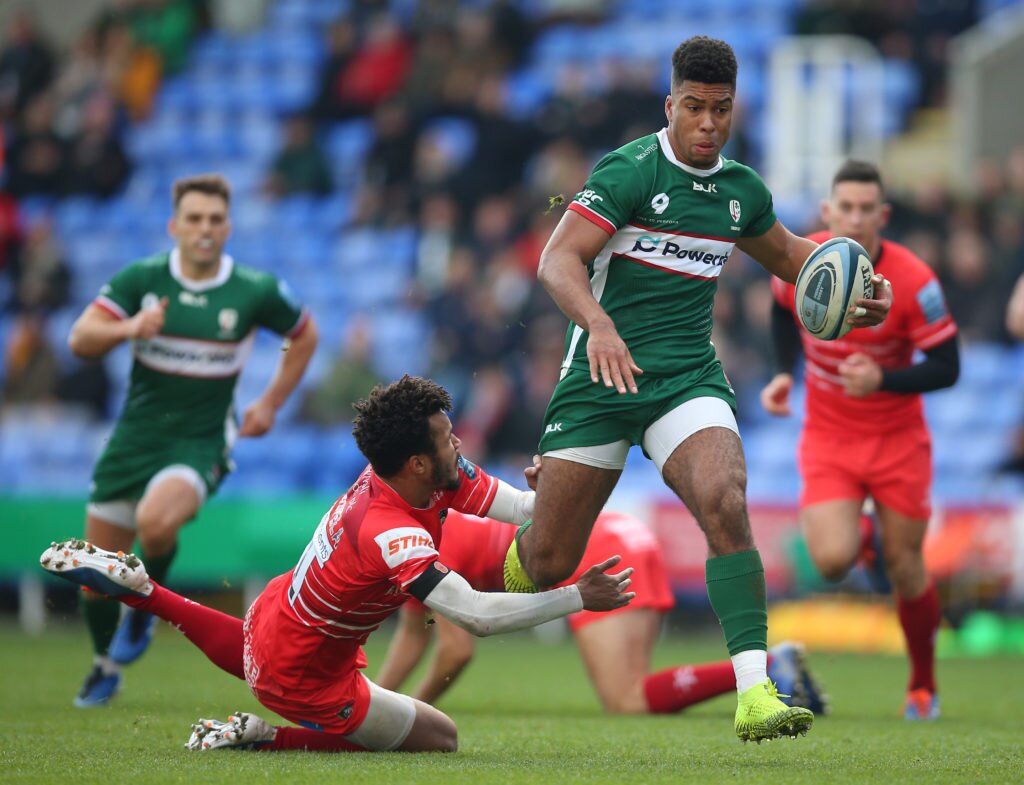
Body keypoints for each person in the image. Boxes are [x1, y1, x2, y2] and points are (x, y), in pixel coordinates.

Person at [501, 35, 893, 743]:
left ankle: (755, 692)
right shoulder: (628, 171)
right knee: (547, 561)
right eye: (695, 108)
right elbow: (557, 261)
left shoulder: (740, 192)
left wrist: (858, 285)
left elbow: (793, 257)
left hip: (686, 379)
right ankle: (486, 544)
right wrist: (599, 326)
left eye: (721, 110)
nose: (709, 123)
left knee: (725, 496)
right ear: (670, 104)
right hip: (599, 377)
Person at [40, 376, 633, 752]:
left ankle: (143, 590)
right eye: (448, 439)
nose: (459, 445)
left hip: (282, 614)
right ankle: (264, 735)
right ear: (418, 464)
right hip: (306, 671)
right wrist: (577, 597)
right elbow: (473, 615)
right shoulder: (389, 530)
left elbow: (527, 509)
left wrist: (559, 490)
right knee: (439, 738)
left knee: (256, 651)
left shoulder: (422, 476)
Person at [65, 173, 319, 708]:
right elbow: (80, 339)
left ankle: (145, 605)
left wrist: (270, 403)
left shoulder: (253, 289)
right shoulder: (143, 279)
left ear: (227, 225)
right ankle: (103, 662)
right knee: (92, 574)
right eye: (195, 219)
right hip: (133, 440)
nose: (205, 229)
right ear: (174, 226)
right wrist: (130, 328)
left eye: (215, 219)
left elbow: (304, 334)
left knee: (156, 521)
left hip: (201, 440)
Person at [760, 160, 959, 720]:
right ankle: (863, 533)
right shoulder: (804, 259)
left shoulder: (916, 281)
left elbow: (948, 367)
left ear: (883, 215)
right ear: (827, 212)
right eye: (845, 207)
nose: (855, 217)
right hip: (829, 438)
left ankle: (922, 684)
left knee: (907, 567)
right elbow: (781, 312)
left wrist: (883, 380)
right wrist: (782, 373)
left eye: (866, 208)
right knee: (828, 561)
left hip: (898, 440)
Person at [377, 507, 828, 717]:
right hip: (622, 531)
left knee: (625, 701)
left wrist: (405, 716)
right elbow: (415, 634)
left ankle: (765, 667)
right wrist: (376, 697)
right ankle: (764, 670)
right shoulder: (425, 526)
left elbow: (455, 652)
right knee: (635, 693)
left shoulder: (419, 547)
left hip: (597, 552)